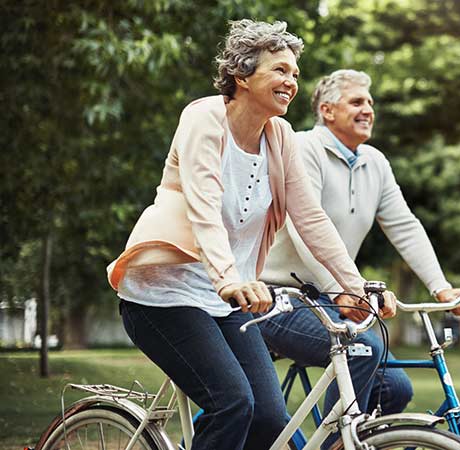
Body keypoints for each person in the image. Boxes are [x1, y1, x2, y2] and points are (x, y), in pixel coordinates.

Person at [106, 21, 395, 450]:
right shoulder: (203, 118)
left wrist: (355, 289)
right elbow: (203, 204)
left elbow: (311, 219)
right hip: (164, 294)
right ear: (242, 76)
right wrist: (227, 278)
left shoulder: (280, 137)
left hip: (231, 301)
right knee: (232, 404)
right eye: (280, 70)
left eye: (295, 74)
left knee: (270, 419)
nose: (291, 82)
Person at [259, 69, 460, 430]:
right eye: (357, 102)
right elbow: (303, 226)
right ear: (327, 110)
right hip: (276, 296)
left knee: (394, 387)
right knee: (364, 350)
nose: (368, 110)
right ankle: (335, 441)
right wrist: (343, 289)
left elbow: (404, 226)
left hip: (329, 297)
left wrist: (441, 286)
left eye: (370, 103)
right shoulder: (302, 147)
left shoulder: (375, 162)